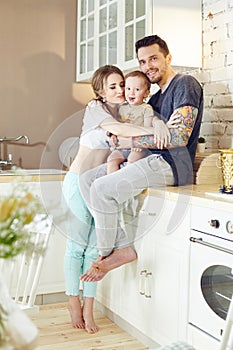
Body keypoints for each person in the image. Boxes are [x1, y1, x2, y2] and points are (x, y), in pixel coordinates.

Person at [79, 34, 204, 283]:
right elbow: (147, 125)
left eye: (154, 58)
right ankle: (122, 245)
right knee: (87, 180)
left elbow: (178, 138)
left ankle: (108, 252)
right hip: (148, 158)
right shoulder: (154, 98)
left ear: (168, 57)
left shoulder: (185, 84)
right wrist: (154, 126)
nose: (148, 66)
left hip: (171, 164)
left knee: (102, 188)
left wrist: (129, 141)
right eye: (143, 61)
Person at [62, 64, 160, 333]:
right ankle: (73, 300)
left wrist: (157, 124)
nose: (119, 90)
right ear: (101, 92)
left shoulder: (128, 114)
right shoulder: (96, 109)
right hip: (76, 184)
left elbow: (129, 139)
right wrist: (156, 133)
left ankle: (89, 307)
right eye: (113, 86)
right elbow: (120, 130)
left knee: (96, 250)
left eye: (121, 85)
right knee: (76, 248)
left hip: (98, 187)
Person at [107, 70, 154, 174]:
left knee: (132, 161)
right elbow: (117, 125)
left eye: (137, 89)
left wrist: (139, 143)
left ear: (146, 93)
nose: (131, 93)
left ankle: (124, 181)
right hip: (122, 146)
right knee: (112, 159)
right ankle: (111, 183)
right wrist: (113, 135)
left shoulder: (146, 108)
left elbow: (147, 130)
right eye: (128, 89)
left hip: (138, 148)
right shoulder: (121, 107)